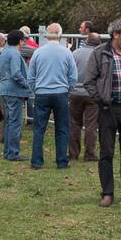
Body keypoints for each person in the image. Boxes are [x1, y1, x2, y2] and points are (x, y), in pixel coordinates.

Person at [82, 17, 121, 207]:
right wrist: (101, 101)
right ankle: (107, 193)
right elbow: (89, 81)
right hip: (109, 109)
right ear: (115, 35)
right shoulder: (100, 53)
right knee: (106, 153)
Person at [27, 23, 77, 170]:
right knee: (62, 128)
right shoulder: (67, 53)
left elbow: (31, 76)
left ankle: (36, 161)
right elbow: (73, 76)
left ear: (46, 35)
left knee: (39, 129)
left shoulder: (38, 52)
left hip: (42, 93)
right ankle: (62, 161)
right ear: (60, 35)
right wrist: (67, 89)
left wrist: (36, 89)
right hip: (61, 93)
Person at [68, 32, 100, 163]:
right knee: (91, 124)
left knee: (74, 123)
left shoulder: (75, 53)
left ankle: (73, 153)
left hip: (75, 92)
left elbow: (69, 71)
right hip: (92, 93)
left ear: (86, 41)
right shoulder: (99, 55)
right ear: (98, 43)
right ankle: (90, 153)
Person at [0, 30, 31, 161]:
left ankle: (8, 152)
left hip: (4, 90)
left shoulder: (4, 52)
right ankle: (13, 153)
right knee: (15, 123)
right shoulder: (15, 54)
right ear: (20, 41)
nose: (24, 42)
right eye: (23, 40)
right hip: (14, 91)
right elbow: (16, 73)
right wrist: (26, 85)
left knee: (8, 122)